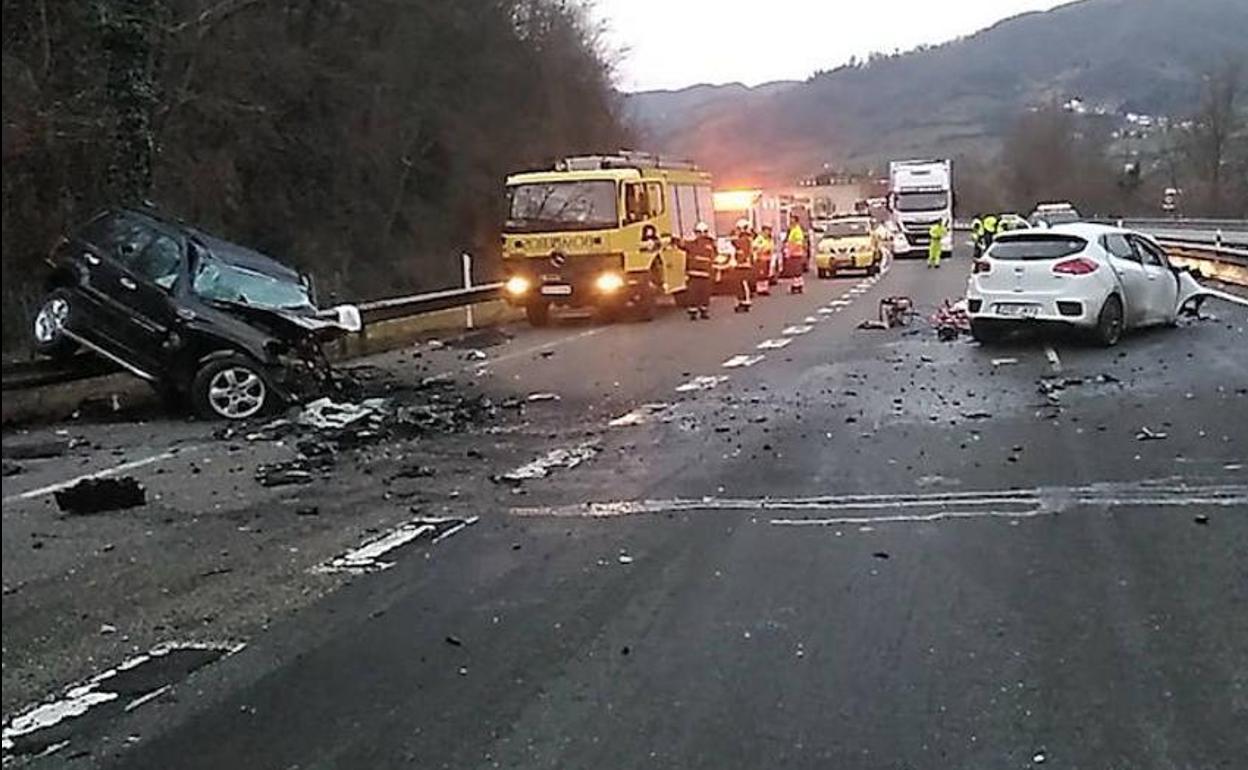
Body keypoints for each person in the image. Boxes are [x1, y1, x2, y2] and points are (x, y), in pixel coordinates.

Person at [676, 222, 716, 320]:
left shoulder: (693, 244)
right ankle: (703, 311)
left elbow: (681, 244)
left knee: (694, 294)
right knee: (703, 294)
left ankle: (695, 312)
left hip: (695, 275)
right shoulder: (711, 244)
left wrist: (673, 239)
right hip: (704, 275)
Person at [731, 219, 754, 312]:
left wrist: (733, 236)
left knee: (743, 284)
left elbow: (736, 243)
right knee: (740, 285)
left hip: (744, 265)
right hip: (741, 265)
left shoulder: (745, 239)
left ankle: (745, 301)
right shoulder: (746, 238)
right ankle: (742, 301)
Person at [784, 214, 806, 294]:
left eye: (792, 220)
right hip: (793, 253)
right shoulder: (793, 229)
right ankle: (796, 285)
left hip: (796, 253)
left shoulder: (797, 230)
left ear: (796, 221)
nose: (790, 221)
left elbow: (798, 242)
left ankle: (797, 286)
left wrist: (791, 251)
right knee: (793, 271)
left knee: (796, 271)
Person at [752, 225, 775, 296]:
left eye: (769, 231)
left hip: (768, 258)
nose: (768, 232)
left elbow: (772, 246)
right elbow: (754, 246)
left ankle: (765, 288)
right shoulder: (759, 238)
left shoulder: (769, 239)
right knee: (761, 274)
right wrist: (762, 249)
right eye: (767, 231)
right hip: (761, 259)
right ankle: (760, 289)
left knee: (766, 274)